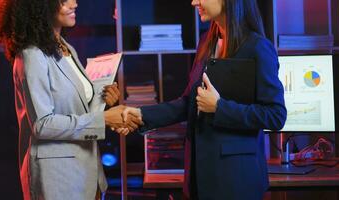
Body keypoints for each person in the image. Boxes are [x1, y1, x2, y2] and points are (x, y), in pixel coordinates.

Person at [119, 0, 287, 199]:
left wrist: (219, 107)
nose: (194, 2)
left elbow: (275, 115)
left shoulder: (257, 47)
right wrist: (141, 114)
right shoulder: (207, 40)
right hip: (199, 176)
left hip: (235, 180)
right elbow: (189, 102)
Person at [0, 0, 142, 199]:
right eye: (63, 1)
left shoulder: (65, 48)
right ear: (39, 6)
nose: (74, 4)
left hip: (88, 171)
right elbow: (42, 124)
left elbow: (78, 109)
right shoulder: (31, 54)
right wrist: (103, 119)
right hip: (58, 178)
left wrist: (103, 100)